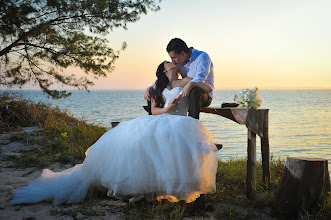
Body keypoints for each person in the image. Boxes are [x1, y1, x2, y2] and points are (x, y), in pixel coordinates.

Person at [10, 61, 218, 205]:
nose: (172, 63)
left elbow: (202, 85)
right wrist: (167, 109)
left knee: (172, 139)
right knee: (137, 136)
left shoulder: (184, 81)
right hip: (164, 117)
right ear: (164, 71)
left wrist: (192, 84)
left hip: (179, 122)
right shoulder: (156, 86)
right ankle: (142, 190)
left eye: (171, 61)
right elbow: (154, 110)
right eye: (168, 63)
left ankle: (167, 188)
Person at [145, 38, 214, 119]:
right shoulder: (178, 62)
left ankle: (192, 123)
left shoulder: (202, 57)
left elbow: (199, 81)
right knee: (152, 93)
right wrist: (150, 88)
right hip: (185, 93)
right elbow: (163, 77)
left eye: (174, 58)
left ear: (182, 53)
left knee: (194, 90)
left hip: (202, 94)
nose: (172, 61)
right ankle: (151, 119)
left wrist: (179, 95)